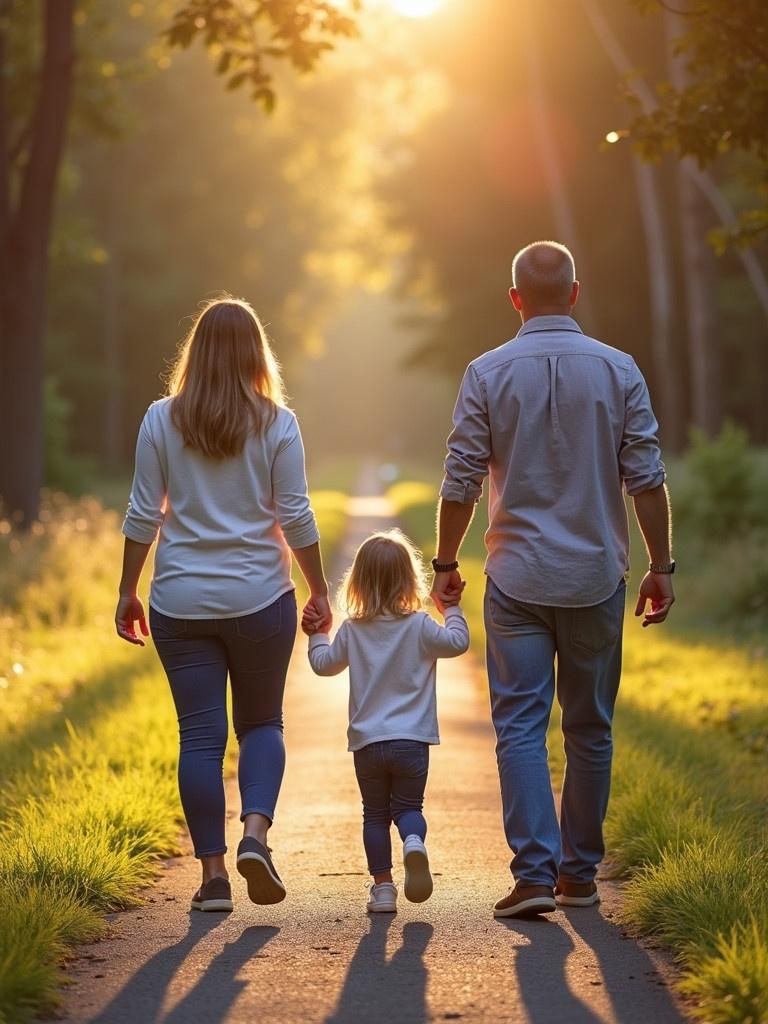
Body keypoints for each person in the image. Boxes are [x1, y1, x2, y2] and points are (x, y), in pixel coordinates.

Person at [431, 241, 675, 919]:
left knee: (519, 726)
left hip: (518, 578)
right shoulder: (619, 370)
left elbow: (462, 479)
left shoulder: (486, 372)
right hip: (597, 576)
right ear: (574, 293)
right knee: (590, 729)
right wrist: (661, 565)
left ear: (515, 300)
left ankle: (534, 874)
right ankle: (580, 878)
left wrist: (447, 564)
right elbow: (647, 479)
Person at [115, 295, 332, 913]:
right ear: (255, 353)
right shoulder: (277, 422)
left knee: (200, 738)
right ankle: (255, 837)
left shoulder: (160, 419)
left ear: (196, 353)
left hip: (180, 603)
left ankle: (212, 879)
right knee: (262, 723)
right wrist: (317, 588)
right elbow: (295, 514)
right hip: (261, 598)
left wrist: (128, 589)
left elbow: (142, 513)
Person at [304, 530, 469, 913]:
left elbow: (323, 665)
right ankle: (414, 841)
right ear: (410, 580)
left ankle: (382, 890)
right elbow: (458, 642)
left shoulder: (352, 630)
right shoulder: (421, 626)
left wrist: (317, 634)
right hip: (412, 741)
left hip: (368, 743)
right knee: (409, 808)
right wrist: (452, 610)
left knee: (375, 815)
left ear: (358, 582)